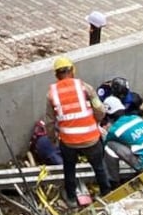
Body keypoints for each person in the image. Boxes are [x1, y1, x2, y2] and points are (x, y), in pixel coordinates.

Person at [43, 56, 112, 206]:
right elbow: (99, 109)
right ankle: (106, 194)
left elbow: (49, 121)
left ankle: (72, 198)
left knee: (69, 169)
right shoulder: (85, 87)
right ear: (73, 70)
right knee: (99, 167)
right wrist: (96, 122)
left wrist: (53, 139)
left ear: (56, 75)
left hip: (69, 142)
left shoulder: (52, 94)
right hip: (91, 139)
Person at [100, 96, 143, 184]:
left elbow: (105, 144)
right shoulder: (137, 119)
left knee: (109, 145)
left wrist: (103, 134)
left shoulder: (114, 130)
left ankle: (113, 181)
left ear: (108, 115)